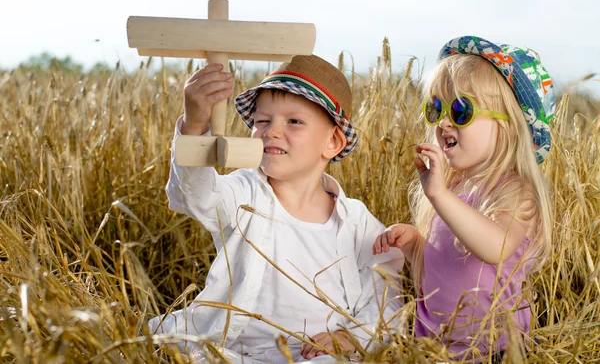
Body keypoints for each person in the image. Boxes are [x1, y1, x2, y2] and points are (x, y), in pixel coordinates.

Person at [149, 54, 404, 363]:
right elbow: (194, 195)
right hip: (233, 350)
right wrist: (194, 124)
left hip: (313, 356)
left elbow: (384, 297)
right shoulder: (245, 192)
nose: (271, 131)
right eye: (262, 121)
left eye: (293, 121)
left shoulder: (357, 223)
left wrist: (350, 338)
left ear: (333, 142)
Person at [372, 36, 555, 362]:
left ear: (509, 126)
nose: (443, 122)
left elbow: (494, 248)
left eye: (461, 111)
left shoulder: (514, 191)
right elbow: (444, 268)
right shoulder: (452, 189)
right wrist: (414, 244)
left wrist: (440, 195)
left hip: (494, 349)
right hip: (433, 347)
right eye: (436, 108)